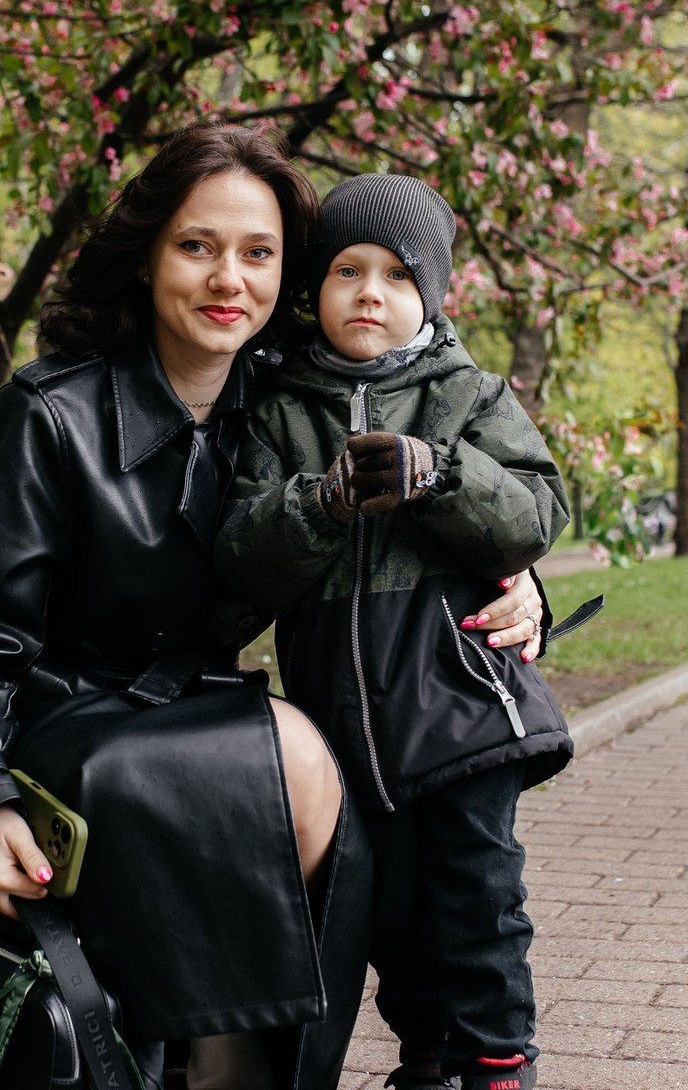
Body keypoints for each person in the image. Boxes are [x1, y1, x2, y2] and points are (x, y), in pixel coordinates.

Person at [0, 130, 549, 1090]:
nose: (226, 279)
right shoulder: (49, 414)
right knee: (281, 752)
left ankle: (301, 1064)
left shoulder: (296, 400)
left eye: (258, 253)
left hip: (202, 705)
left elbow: (447, 485)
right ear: (150, 254)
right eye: (198, 246)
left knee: (347, 793)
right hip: (69, 716)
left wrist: (515, 581)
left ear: (289, 274)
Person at [215, 173, 573, 1090]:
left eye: (396, 275)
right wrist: (319, 502)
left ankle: (498, 1059)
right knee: (391, 915)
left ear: (432, 294)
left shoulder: (469, 395)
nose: (369, 292)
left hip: (459, 704)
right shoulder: (281, 410)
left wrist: (441, 474)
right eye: (346, 270)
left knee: (479, 897)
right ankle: (428, 1060)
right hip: (343, 720)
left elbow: (536, 509)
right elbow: (245, 553)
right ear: (314, 288)